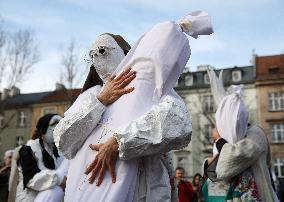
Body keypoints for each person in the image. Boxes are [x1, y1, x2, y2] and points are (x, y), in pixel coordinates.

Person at [54, 11, 213, 202]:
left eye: (103, 51)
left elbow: (178, 123)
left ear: (125, 52)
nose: (97, 58)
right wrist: (100, 101)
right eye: (92, 55)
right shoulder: (89, 96)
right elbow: (63, 140)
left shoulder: (150, 86)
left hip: (142, 189)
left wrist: (119, 142)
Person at [201, 68, 279, 201]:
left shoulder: (256, 134)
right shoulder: (228, 139)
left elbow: (229, 163)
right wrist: (208, 163)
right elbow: (215, 173)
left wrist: (219, 140)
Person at [16, 114, 69, 202]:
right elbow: (30, 179)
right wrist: (59, 179)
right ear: (44, 128)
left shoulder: (57, 152)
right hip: (29, 198)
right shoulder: (29, 149)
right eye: (53, 124)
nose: (57, 128)